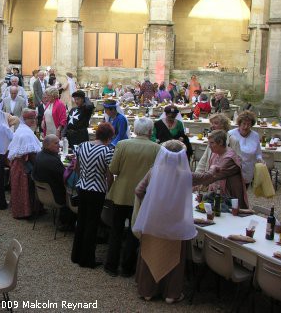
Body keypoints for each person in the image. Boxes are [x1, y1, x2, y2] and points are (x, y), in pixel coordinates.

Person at [133, 140, 196, 304]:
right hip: (175, 221)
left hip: (154, 219)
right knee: (173, 257)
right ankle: (171, 293)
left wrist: (148, 203)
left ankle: (147, 290)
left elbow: (138, 190)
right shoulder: (185, 174)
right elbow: (204, 178)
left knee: (150, 253)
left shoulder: (154, 171)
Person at [105, 117, 161, 278]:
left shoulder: (123, 145)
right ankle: (127, 267)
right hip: (143, 195)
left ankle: (111, 265)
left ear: (135, 130)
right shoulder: (156, 149)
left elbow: (114, 168)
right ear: (150, 131)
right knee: (134, 231)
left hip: (121, 193)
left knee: (116, 229)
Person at [71, 123, 115, 269]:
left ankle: (76, 255)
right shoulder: (107, 151)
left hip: (82, 186)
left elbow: (77, 168)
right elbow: (109, 176)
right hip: (97, 189)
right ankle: (87, 259)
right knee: (92, 223)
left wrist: (84, 178)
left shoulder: (82, 146)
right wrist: (108, 189)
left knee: (81, 220)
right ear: (109, 137)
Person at [192, 130, 249, 209]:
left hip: (230, 199)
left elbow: (211, 177)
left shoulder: (229, 159)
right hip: (219, 196)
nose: (209, 146)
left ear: (221, 142)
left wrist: (192, 182)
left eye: (212, 143)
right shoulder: (216, 153)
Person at [8, 109, 41, 219]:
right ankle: (24, 212)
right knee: (24, 188)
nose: (33, 120)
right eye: (31, 118)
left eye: (34, 118)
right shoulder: (26, 133)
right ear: (25, 119)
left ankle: (23, 210)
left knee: (20, 189)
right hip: (22, 166)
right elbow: (30, 153)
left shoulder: (22, 129)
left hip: (18, 164)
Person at [228, 110, 263, 185]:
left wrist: (260, 159)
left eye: (248, 124)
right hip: (233, 169)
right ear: (239, 123)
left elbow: (258, 153)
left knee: (243, 194)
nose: (246, 127)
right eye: (244, 124)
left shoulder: (255, 135)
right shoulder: (231, 134)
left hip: (248, 170)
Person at [32, 134, 67, 207]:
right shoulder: (52, 161)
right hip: (56, 196)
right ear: (47, 145)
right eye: (56, 143)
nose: (59, 146)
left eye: (58, 143)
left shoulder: (39, 155)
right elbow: (65, 178)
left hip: (42, 194)